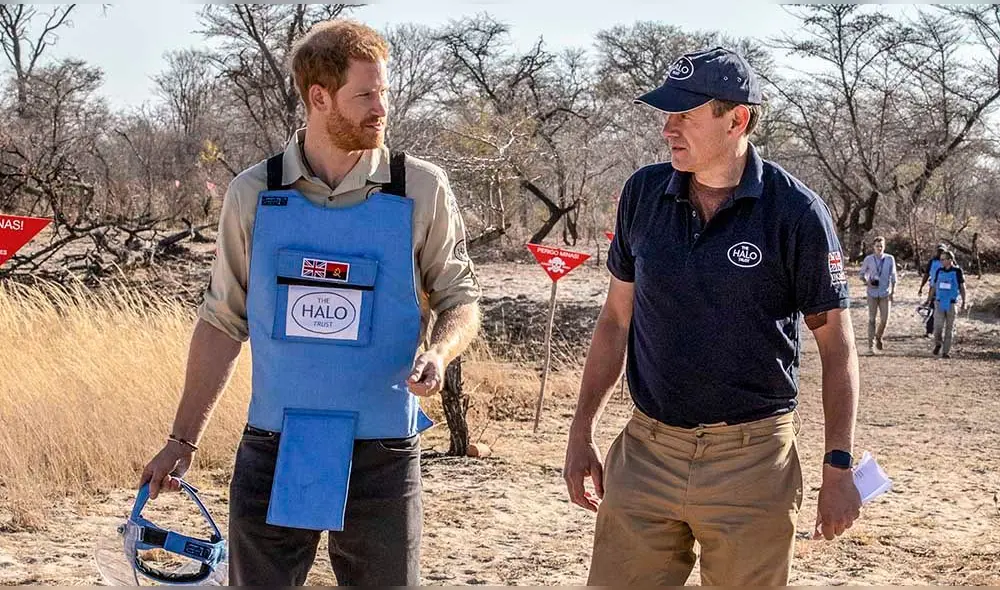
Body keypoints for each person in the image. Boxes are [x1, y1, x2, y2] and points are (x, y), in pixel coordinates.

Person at [138, 19, 481, 586]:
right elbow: (223, 322)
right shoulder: (254, 193)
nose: (381, 108)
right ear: (319, 97)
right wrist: (181, 440)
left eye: (384, 92)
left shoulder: (419, 188)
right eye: (365, 95)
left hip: (383, 453)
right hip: (273, 449)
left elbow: (461, 299)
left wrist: (439, 353)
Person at [563, 47, 862, 586]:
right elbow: (615, 320)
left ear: (737, 119)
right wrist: (581, 430)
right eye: (666, 113)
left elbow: (836, 346)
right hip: (646, 451)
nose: (668, 128)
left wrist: (837, 465)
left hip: (752, 465)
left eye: (685, 114)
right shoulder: (642, 193)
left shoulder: (796, 212)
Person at [858, 236, 897, 354]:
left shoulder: (890, 259)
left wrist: (893, 291)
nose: (879, 248)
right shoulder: (868, 259)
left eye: (881, 246)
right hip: (872, 293)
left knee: (885, 319)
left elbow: (894, 276)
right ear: (873, 247)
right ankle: (871, 345)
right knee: (871, 319)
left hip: (885, 292)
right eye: (877, 246)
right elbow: (861, 274)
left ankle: (879, 336)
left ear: (884, 247)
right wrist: (867, 281)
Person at [924, 249, 966, 359]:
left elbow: (962, 287)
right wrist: (929, 299)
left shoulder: (957, 271)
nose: (941, 261)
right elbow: (934, 286)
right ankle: (938, 343)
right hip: (939, 302)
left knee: (949, 328)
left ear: (950, 260)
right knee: (937, 327)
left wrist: (964, 302)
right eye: (941, 259)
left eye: (943, 259)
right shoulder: (939, 271)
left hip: (951, 303)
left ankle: (946, 351)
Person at [918, 244, 947, 337]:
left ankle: (941, 330)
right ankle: (929, 330)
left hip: (945, 290)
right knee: (932, 309)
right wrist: (921, 287)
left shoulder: (949, 261)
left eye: (942, 251)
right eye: (939, 251)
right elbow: (926, 274)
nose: (940, 253)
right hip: (934, 289)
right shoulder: (932, 262)